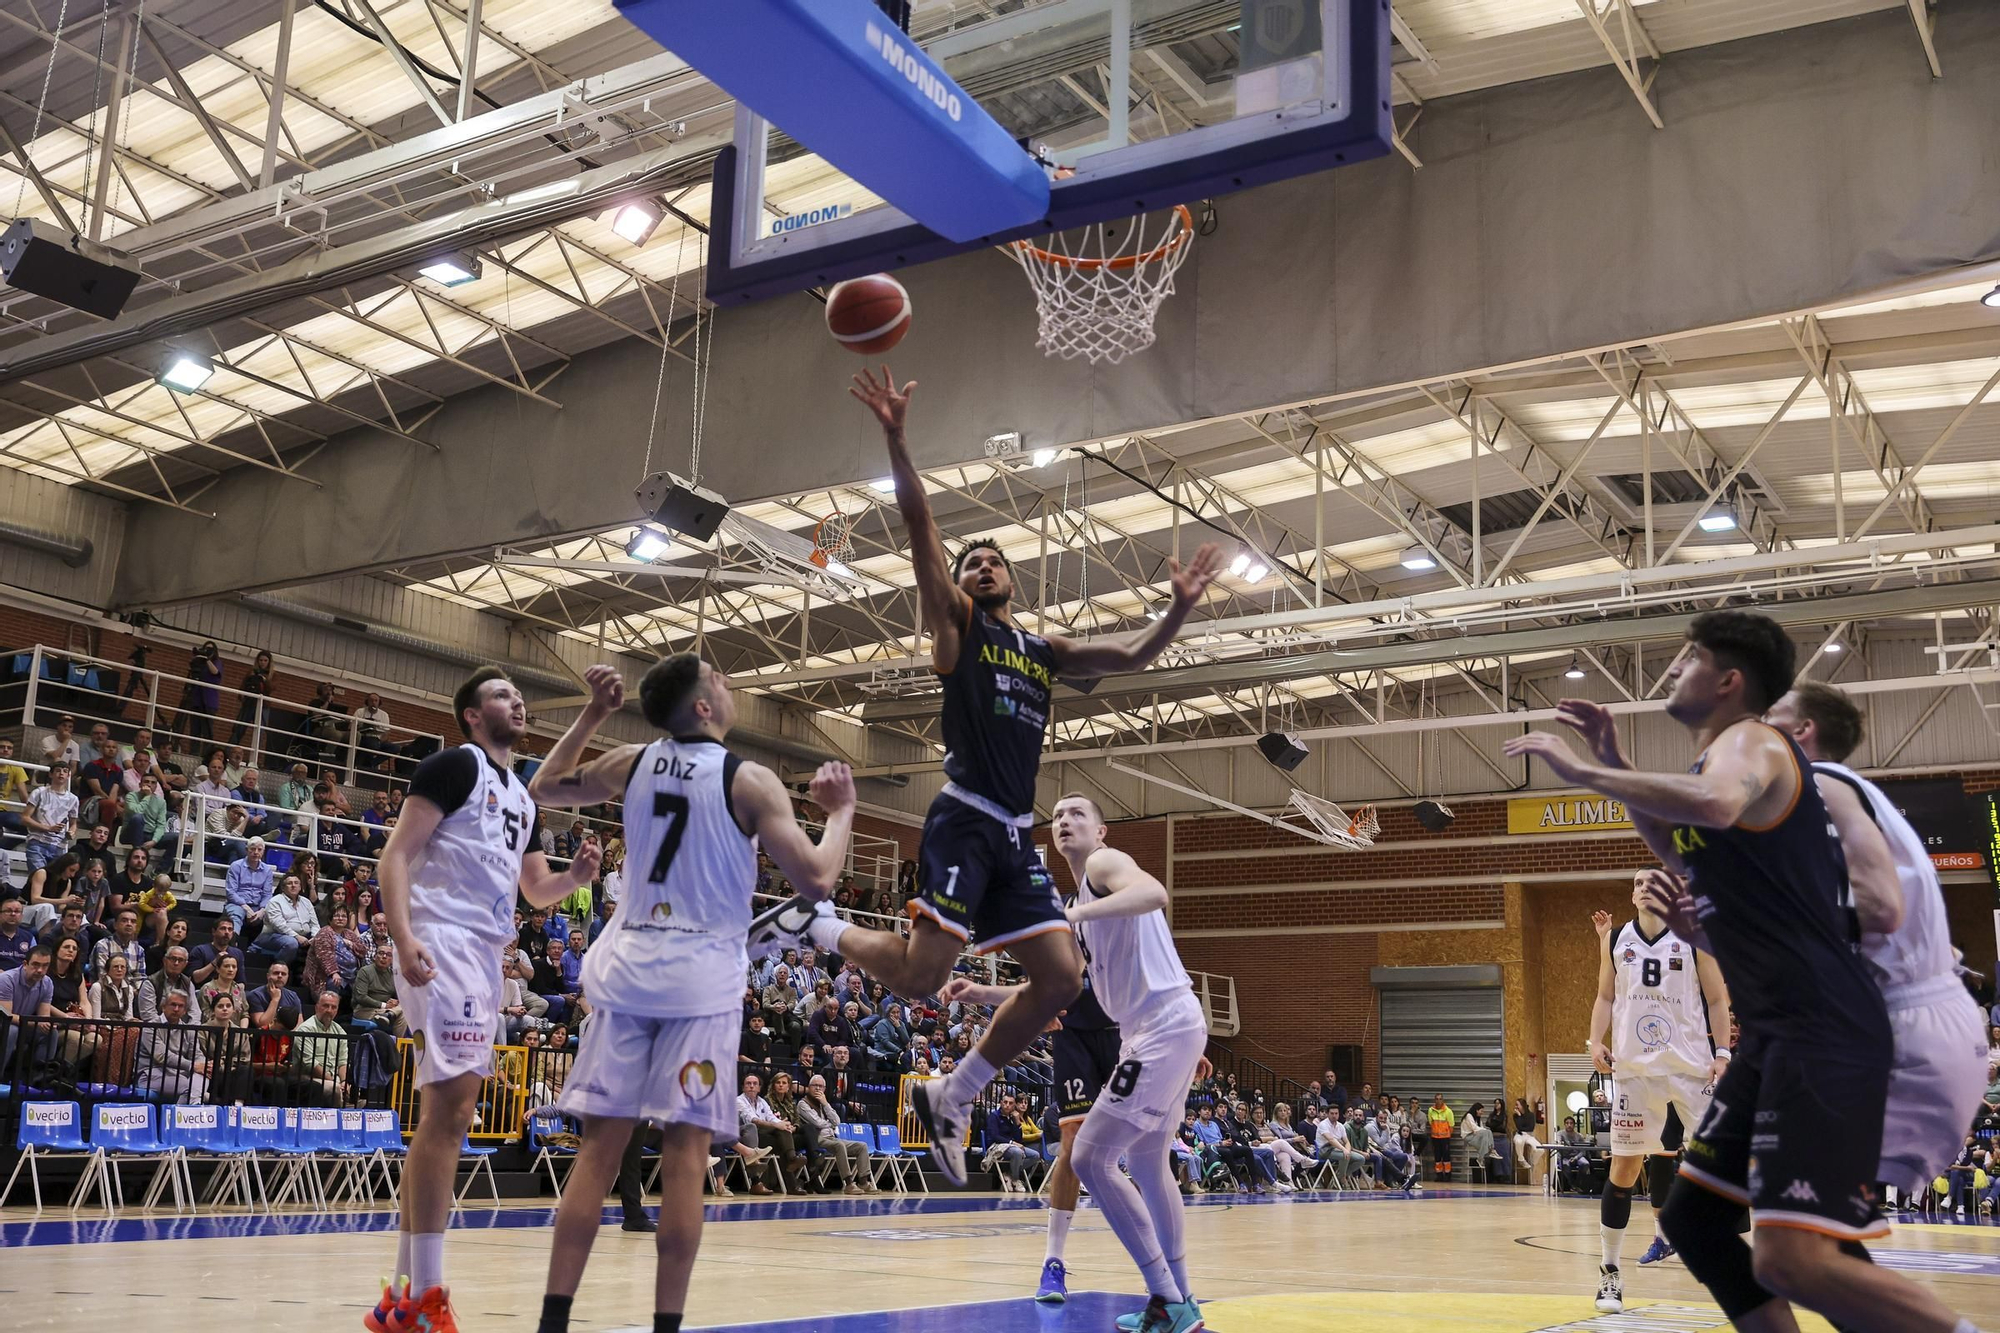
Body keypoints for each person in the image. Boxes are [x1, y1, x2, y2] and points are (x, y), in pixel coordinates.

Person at [748, 369, 1220, 1193]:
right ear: (959, 588)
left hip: (1010, 832)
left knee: (1064, 976)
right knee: (925, 975)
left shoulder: (1043, 650)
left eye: (995, 559)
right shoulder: (958, 630)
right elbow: (922, 531)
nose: (982, 563)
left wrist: (1177, 606)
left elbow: (1137, 655)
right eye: (972, 561)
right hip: (964, 817)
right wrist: (897, 438)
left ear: (1014, 581)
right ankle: (819, 927)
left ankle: (951, 1090)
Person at [1506, 609, 1983, 1333]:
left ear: (1728, 679)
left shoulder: (1753, 742)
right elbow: (1682, 836)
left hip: (1822, 1025)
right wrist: (1621, 765)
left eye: (1688, 657)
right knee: (1695, 1220)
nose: (1672, 669)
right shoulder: (1722, 765)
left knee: (1795, 1256)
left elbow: (1719, 805)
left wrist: (1590, 771)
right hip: (1777, 1032)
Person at [520, 657, 857, 1333]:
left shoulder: (632, 760)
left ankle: (552, 1322)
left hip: (628, 968)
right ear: (703, 707)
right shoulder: (749, 780)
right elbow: (819, 879)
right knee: (682, 1159)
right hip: (699, 982)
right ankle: (666, 1325)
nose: (732, 685)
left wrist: (591, 712)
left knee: (599, 1152)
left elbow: (544, 785)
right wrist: (843, 811)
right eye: (724, 679)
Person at [365, 667, 600, 1333]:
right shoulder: (452, 766)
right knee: (451, 1111)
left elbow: (533, 891)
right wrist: (403, 936)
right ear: (471, 715)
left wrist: (573, 877)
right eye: (501, 694)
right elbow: (394, 856)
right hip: (442, 939)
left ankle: (403, 1298)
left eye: (518, 695)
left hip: (483, 954)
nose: (517, 701)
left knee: (446, 1112)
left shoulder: (522, 799)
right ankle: (425, 1296)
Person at [939, 793, 1211, 1333]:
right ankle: (1182, 1300)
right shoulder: (1081, 904)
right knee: (1149, 1166)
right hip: (1159, 1028)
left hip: (1161, 1027)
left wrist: (1077, 912)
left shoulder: (1106, 867)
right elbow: (1062, 987)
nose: (1064, 821)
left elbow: (1154, 892)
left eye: (1077, 814)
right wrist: (985, 995)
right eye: (1057, 816)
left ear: (1101, 831)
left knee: (1089, 1158)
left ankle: (1167, 1298)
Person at [1767, 683, 1991, 1216]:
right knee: (1801, 1245)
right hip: (1924, 1023)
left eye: (1772, 712)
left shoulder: (1818, 784)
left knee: (1798, 1239)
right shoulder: (1852, 796)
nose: (1758, 722)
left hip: (1907, 1034)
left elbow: (1880, 907)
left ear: (1803, 732)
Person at [1585, 872, 1734, 1312]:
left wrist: (1723, 1053)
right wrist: (1595, 1040)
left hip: (1690, 1069)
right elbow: (1605, 997)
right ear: (1632, 894)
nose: (1646, 886)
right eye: (1639, 882)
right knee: (1625, 1169)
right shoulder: (1615, 939)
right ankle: (1610, 1274)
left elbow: (1718, 999)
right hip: (1635, 1069)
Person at [21, 760, 79, 874]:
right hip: (37, 841)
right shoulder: (39, 792)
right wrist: (48, 828)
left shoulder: (73, 799)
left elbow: (73, 823)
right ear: (51, 774)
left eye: (65, 771)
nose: (61, 773)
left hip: (59, 845)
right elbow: (25, 818)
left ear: (68, 775)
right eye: (58, 771)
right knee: (38, 876)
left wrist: (71, 832)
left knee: (53, 881)